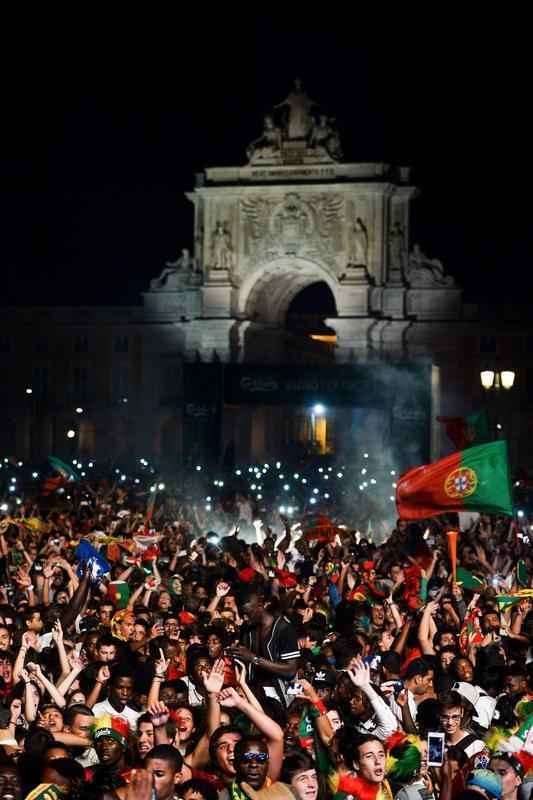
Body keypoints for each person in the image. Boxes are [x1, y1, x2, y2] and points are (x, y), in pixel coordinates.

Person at [228, 592, 300, 708]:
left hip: (283, 695)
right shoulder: (247, 629)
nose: (244, 618)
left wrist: (253, 658)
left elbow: (291, 670)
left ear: (261, 606)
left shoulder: (284, 629)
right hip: (253, 692)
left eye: (248, 613)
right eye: (242, 614)